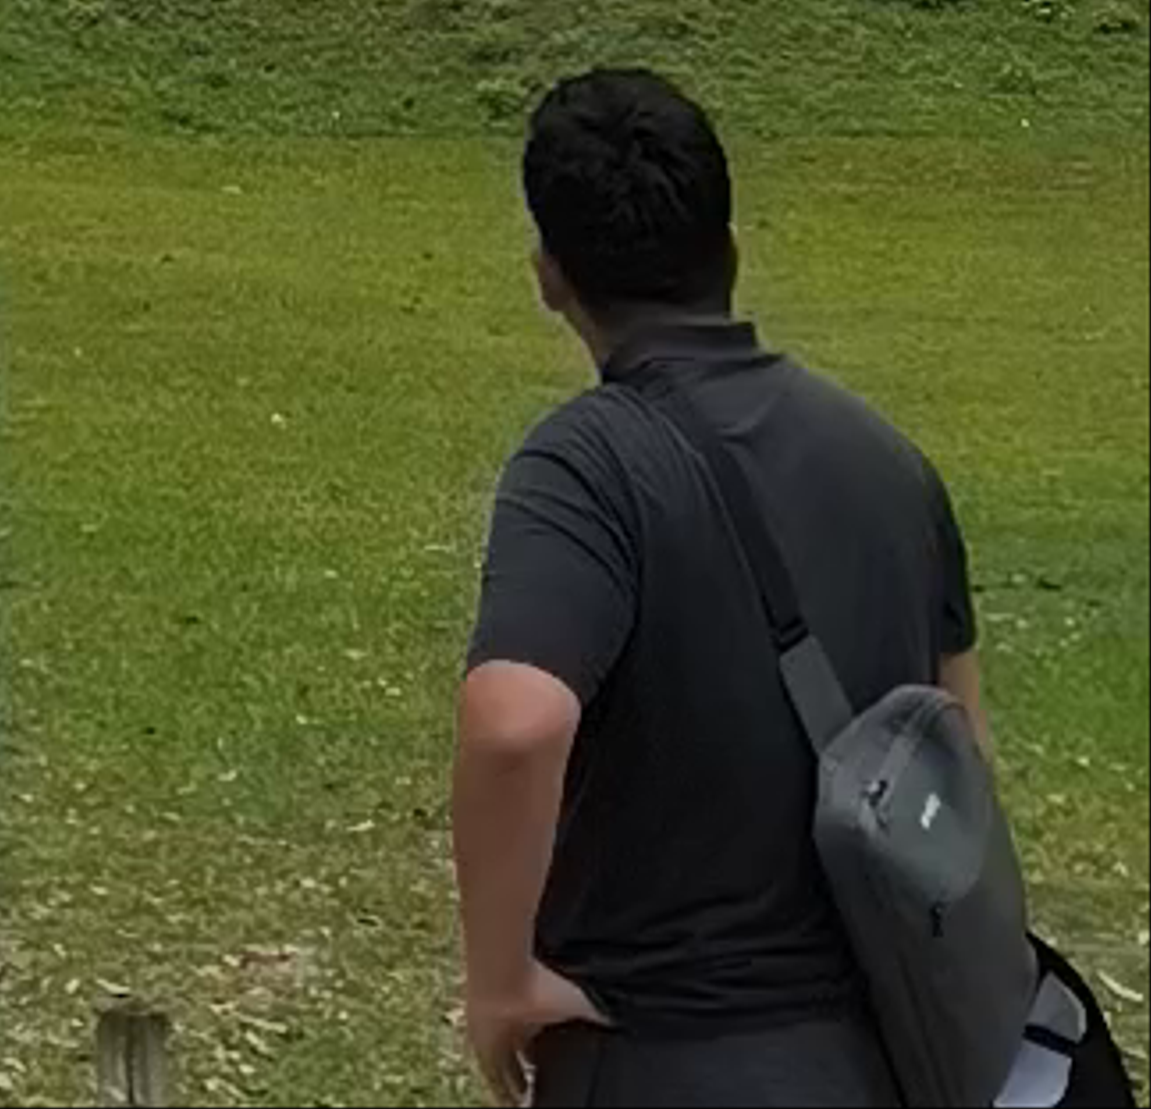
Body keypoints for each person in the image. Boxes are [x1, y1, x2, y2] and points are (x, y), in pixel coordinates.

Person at [454, 62, 1138, 1109]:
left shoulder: (584, 465)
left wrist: (501, 982)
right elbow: (960, 751)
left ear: (549, 273)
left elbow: (515, 723)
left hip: (663, 1052)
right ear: (730, 246)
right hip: (884, 1051)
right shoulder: (891, 461)